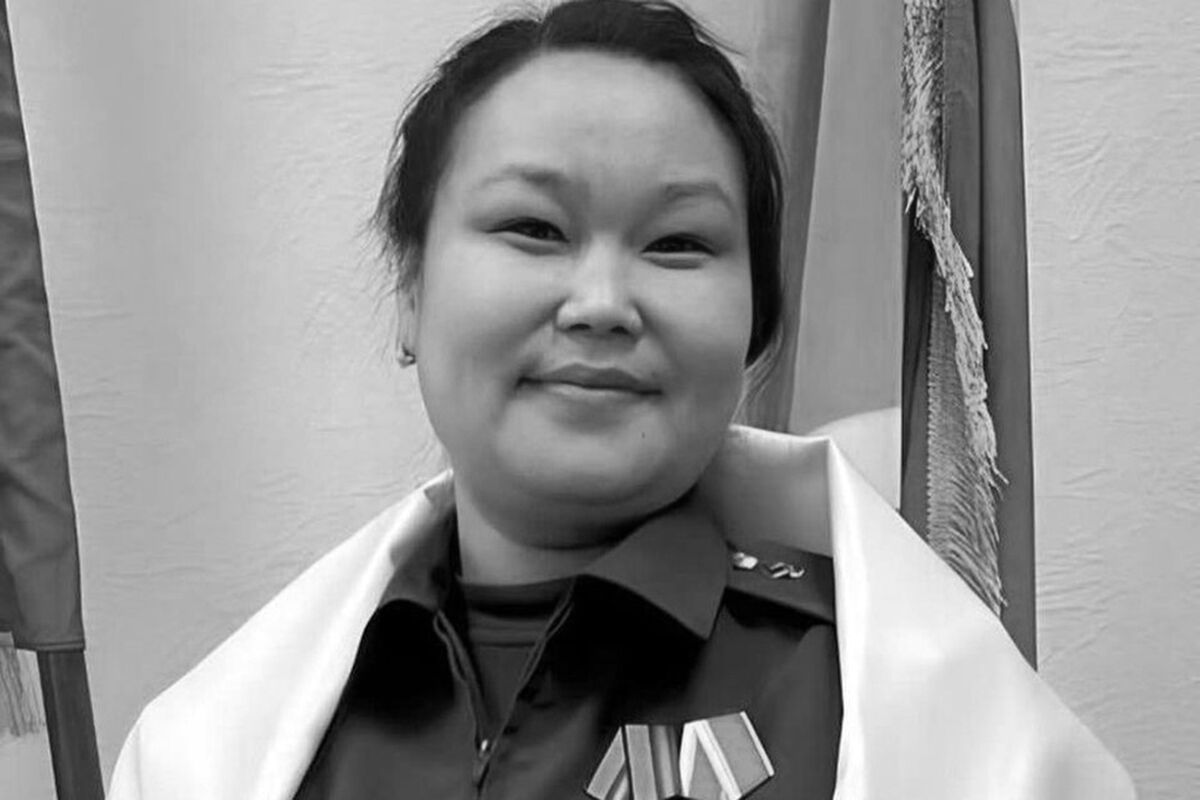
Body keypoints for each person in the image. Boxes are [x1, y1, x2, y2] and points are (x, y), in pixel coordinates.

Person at [109, 1, 1135, 798]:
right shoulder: (219, 739)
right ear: (411, 291)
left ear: (755, 326)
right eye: (533, 228)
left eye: (678, 243)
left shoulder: (902, 700)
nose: (602, 303)